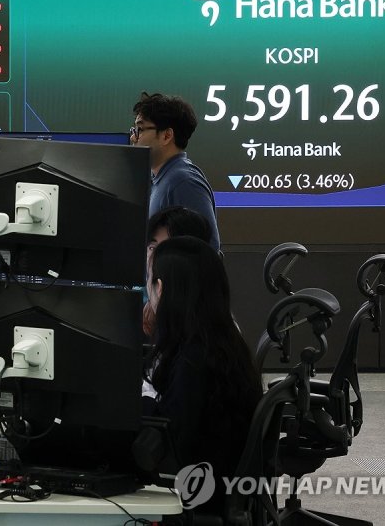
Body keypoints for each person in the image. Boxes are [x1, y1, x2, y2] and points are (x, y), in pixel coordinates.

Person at [143, 236, 262, 514]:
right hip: (222, 488)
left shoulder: (193, 361)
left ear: (161, 289)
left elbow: (171, 445)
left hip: (197, 497)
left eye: (149, 280)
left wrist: (141, 399)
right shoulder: (224, 344)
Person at [131, 91, 221, 251]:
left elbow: (207, 251)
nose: (133, 138)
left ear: (167, 136)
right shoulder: (159, 179)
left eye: (140, 129)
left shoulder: (184, 182)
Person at [142, 206, 212, 336]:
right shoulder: (145, 317)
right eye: (152, 248)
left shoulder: (206, 329)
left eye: (167, 248)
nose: (156, 258)